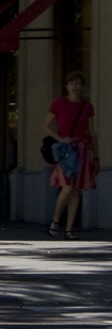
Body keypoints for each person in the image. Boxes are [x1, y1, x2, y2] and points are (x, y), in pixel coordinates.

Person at [45, 71, 99, 240]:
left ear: (82, 86)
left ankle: (69, 230)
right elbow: (46, 126)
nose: (74, 86)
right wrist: (60, 138)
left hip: (82, 149)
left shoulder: (87, 106)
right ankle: (55, 220)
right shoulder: (58, 104)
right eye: (71, 83)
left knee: (76, 190)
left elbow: (91, 132)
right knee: (67, 187)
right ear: (66, 86)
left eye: (77, 83)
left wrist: (96, 156)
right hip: (65, 151)